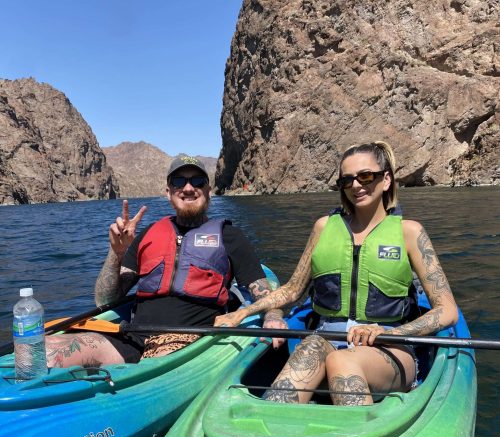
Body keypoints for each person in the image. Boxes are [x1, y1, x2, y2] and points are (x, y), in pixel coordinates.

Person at [214, 141, 458, 406]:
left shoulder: (410, 232)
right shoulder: (323, 228)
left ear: (386, 180)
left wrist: (397, 334)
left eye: (366, 176)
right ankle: (269, 430)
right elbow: (293, 290)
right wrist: (241, 313)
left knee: (342, 360)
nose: (356, 185)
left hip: (389, 345)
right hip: (330, 338)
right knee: (311, 346)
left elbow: (446, 310)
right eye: (347, 180)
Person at [46, 155, 286, 368]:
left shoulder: (230, 236)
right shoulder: (149, 234)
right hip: (134, 338)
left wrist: (273, 317)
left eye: (197, 181)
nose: (189, 188)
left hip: (194, 341)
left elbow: (263, 290)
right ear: (168, 193)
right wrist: (116, 254)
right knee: (44, 349)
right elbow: (105, 300)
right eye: (179, 182)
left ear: (208, 190)